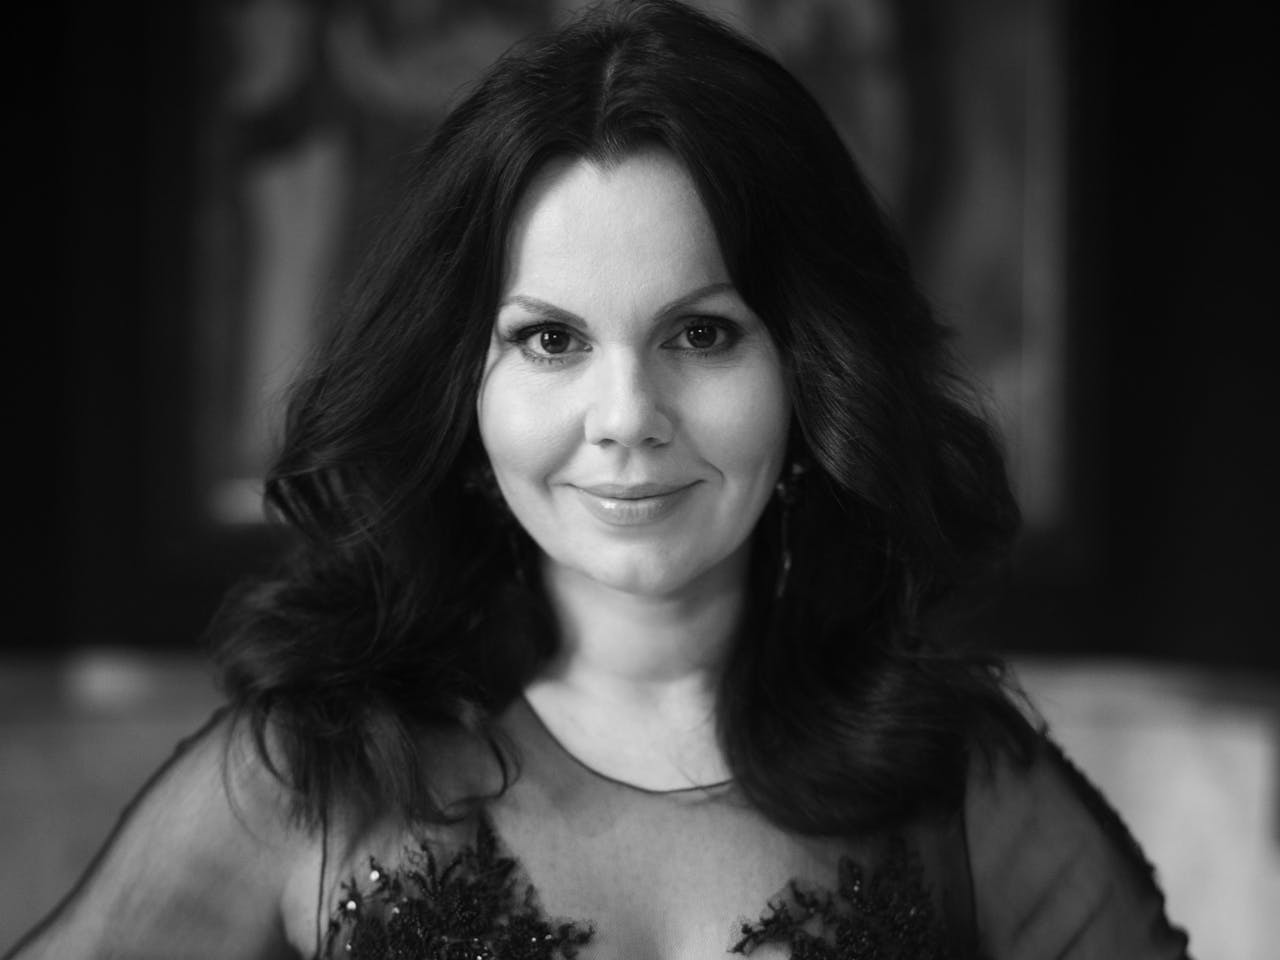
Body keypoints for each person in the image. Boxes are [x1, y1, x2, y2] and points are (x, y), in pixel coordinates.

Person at [8, 1, 1192, 957]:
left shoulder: (960, 785)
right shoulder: (311, 771)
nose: (625, 419)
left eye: (703, 334)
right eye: (549, 340)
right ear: (460, 386)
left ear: (810, 373)